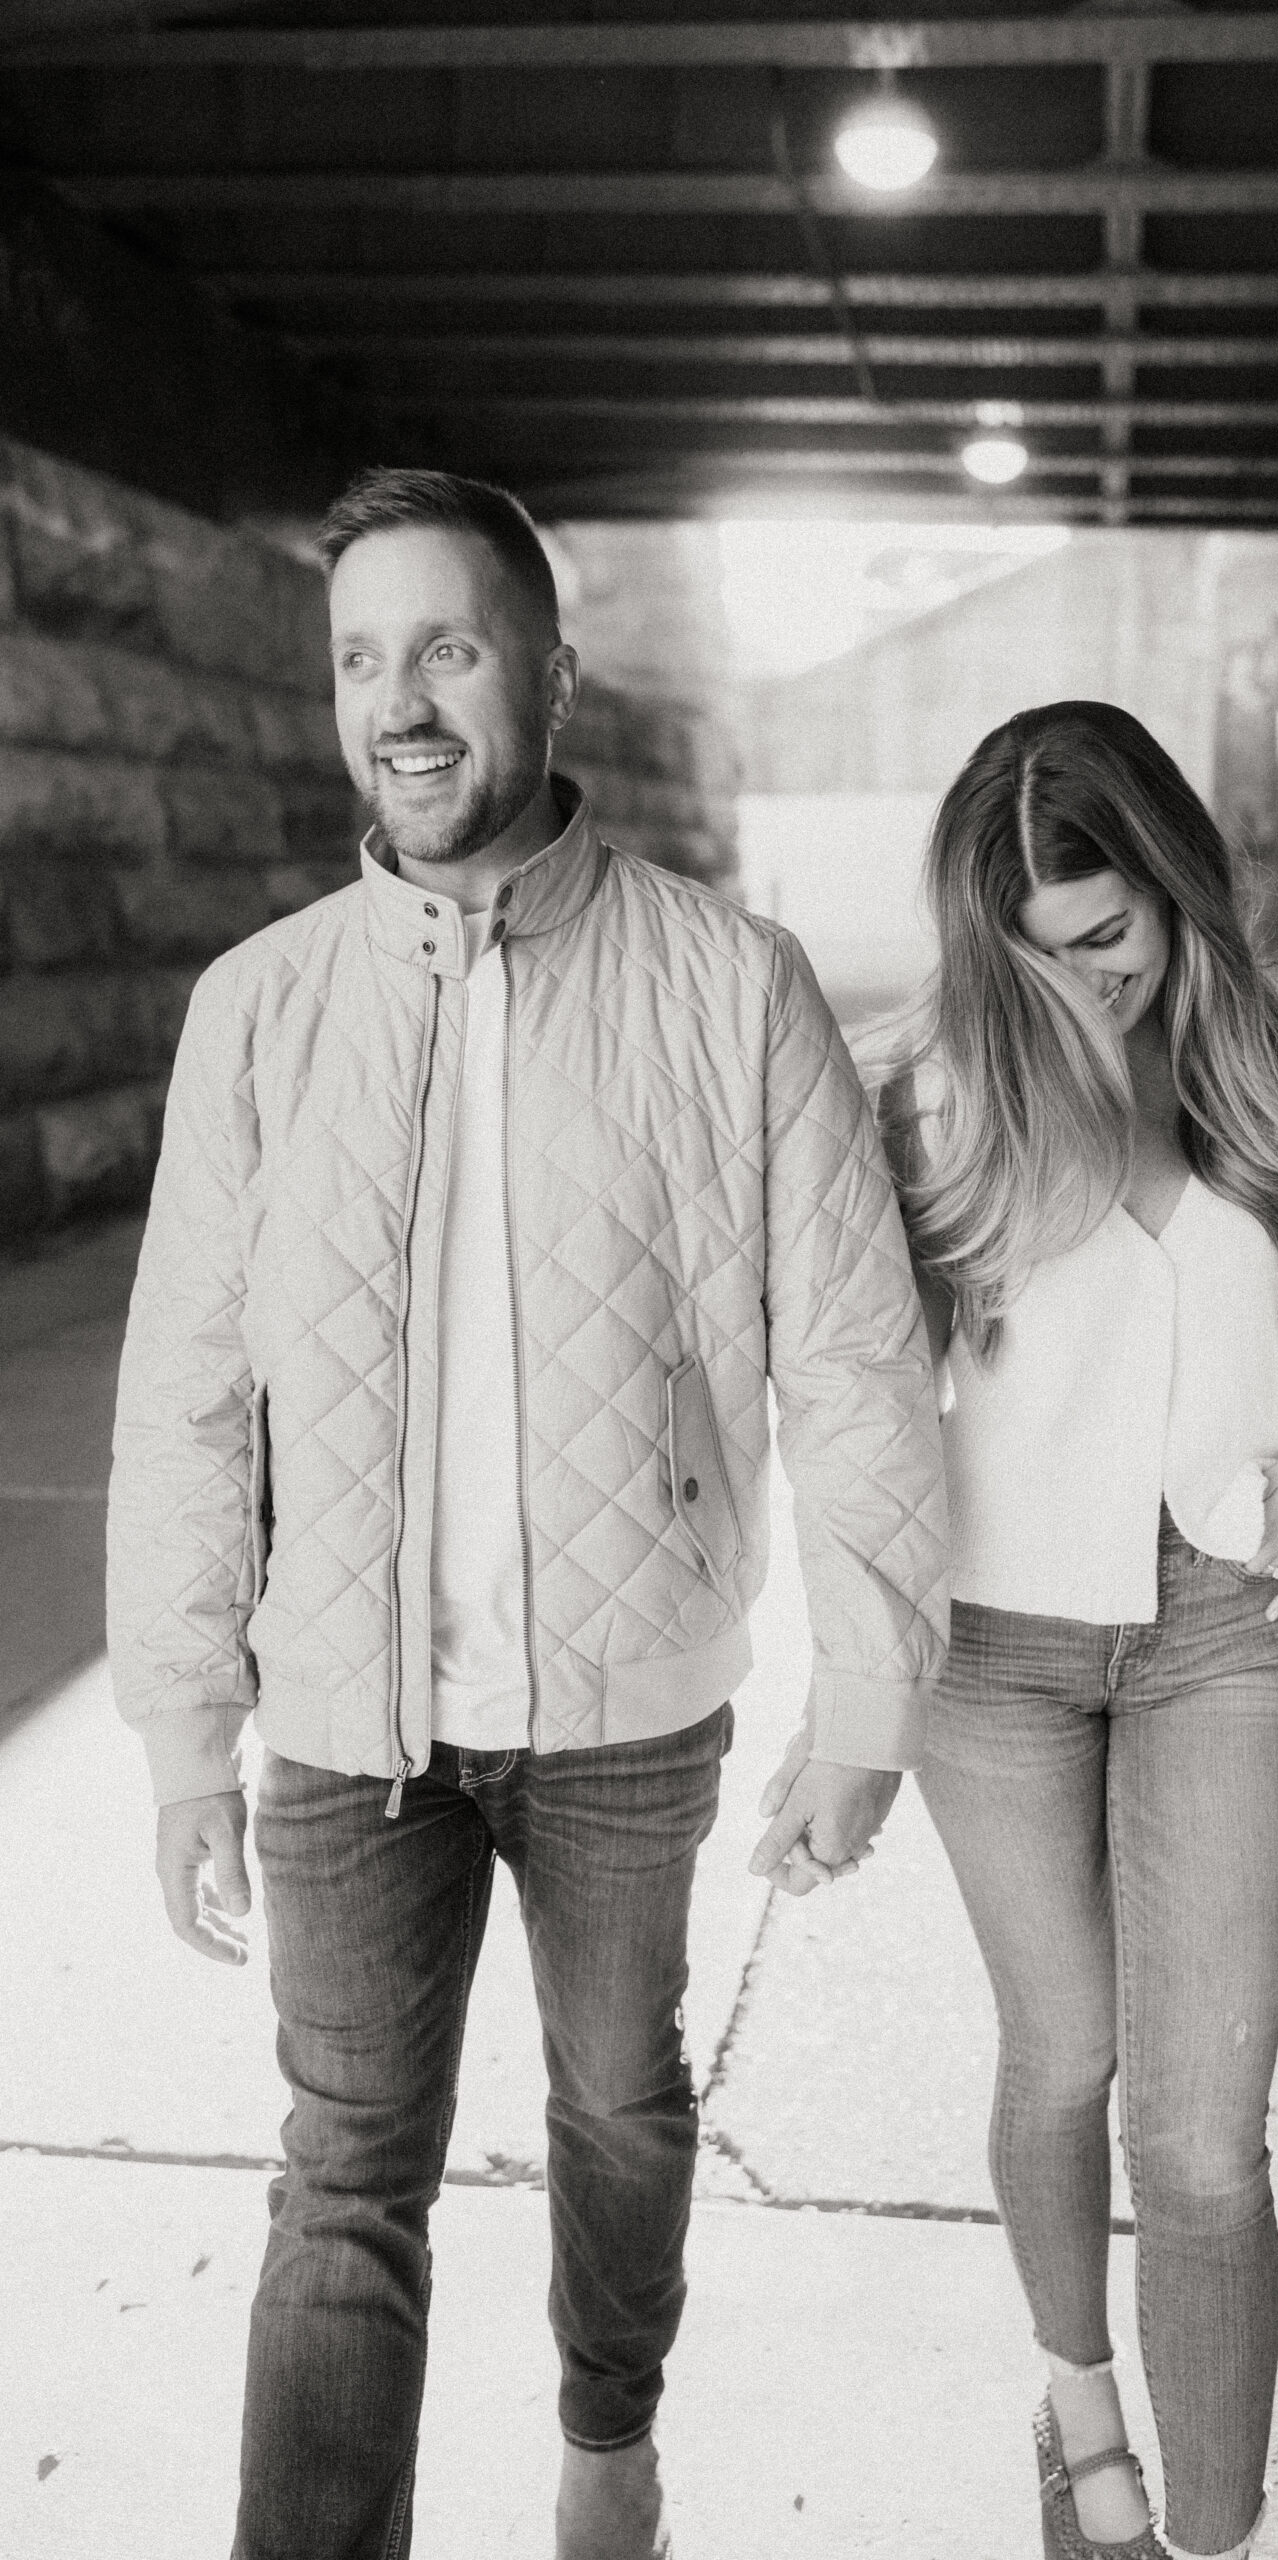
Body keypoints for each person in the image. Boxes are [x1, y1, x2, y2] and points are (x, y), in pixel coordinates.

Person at [106, 466, 947, 2560]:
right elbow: (191, 1394)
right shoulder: (261, 1008)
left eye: (449, 646)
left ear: (551, 674)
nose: (400, 701)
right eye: (361, 659)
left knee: (618, 2102)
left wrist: (866, 1693)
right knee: (341, 2170)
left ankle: (605, 2426)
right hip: (343, 1717)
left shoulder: (725, 980)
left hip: (624, 1697)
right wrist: (182, 1720)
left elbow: (848, 1350)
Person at [870, 700, 1278, 2560]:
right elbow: (863, 1391)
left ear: (1169, 883)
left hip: (1229, 1614)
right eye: (1030, 953)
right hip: (992, 1640)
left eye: (1105, 935)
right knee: (1065, 2056)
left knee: (1202, 2135)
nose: (1075, 982)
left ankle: (1215, 2537)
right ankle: (1080, 2413)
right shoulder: (930, 1079)